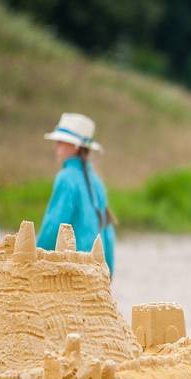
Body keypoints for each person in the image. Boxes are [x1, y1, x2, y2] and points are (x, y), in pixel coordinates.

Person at [37, 113, 115, 275]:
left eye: (60, 142)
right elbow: (107, 233)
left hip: (70, 271)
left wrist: (34, 258)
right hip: (94, 271)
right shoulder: (96, 182)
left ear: (75, 146)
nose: (55, 147)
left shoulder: (66, 178)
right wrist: (108, 272)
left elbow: (54, 224)